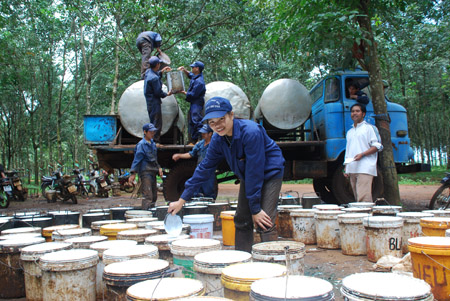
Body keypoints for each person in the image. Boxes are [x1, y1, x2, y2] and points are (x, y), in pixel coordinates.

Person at [168, 97, 285, 252]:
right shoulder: (217, 139)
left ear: (231, 115)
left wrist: (256, 210)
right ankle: (243, 260)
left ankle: (274, 265)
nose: (218, 126)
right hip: (248, 175)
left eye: (221, 119)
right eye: (212, 122)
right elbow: (204, 168)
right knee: (242, 219)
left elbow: (254, 172)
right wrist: (181, 200)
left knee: (264, 221)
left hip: (270, 172)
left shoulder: (251, 132)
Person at [344, 103, 383, 202]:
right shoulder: (350, 132)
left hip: (365, 167)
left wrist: (363, 154)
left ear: (363, 114)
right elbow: (348, 151)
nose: (354, 113)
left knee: (363, 198)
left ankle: (366, 216)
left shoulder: (369, 128)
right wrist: (346, 167)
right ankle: (362, 216)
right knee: (357, 197)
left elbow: (377, 146)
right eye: (353, 111)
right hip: (352, 168)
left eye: (357, 111)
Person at [172, 124, 216, 199]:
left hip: (209, 172)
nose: (202, 134)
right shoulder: (200, 144)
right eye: (202, 133)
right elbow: (191, 154)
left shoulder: (215, 144)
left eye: (204, 133)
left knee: (208, 193)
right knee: (196, 192)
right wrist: (179, 155)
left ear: (210, 134)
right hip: (199, 171)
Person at [128, 123, 163, 209]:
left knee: (154, 196)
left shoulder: (152, 143)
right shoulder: (141, 145)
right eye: (150, 132)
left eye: (153, 132)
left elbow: (154, 158)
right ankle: (146, 214)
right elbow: (137, 159)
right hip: (146, 172)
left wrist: (159, 168)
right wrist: (133, 173)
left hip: (153, 171)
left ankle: (152, 212)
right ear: (145, 132)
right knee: (148, 196)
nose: (152, 133)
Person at [144, 56, 172, 143]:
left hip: (149, 101)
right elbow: (158, 92)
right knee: (156, 122)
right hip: (154, 102)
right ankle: (155, 141)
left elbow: (155, 74)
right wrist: (167, 94)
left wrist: (162, 71)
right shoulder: (154, 78)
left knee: (153, 120)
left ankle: (151, 140)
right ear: (157, 64)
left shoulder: (148, 72)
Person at [177, 61, 206, 144]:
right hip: (193, 102)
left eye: (193, 67)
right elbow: (190, 75)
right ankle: (193, 140)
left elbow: (193, 94)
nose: (192, 68)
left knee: (196, 120)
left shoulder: (199, 82)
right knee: (192, 121)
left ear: (197, 69)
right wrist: (184, 70)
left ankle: (200, 139)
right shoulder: (196, 76)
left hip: (196, 102)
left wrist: (183, 92)